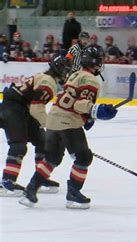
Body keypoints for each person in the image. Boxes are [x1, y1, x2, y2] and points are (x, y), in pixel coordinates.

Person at [19, 47, 118, 209]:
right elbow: (80, 104)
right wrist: (96, 110)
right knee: (83, 157)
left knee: (52, 158)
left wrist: (88, 118)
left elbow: (72, 101)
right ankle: (73, 195)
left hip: (53, 120)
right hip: (68, 122)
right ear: (95, 62)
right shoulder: (91, 80)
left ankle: (30, 190)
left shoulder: (74, 75)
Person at [0, 55, 71, 197]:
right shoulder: (48, 83)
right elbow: (36, 109)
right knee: (18, 145)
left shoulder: (45, 78)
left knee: (43, 141)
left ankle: (41, 178)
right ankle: (6, 182)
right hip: (14, 109)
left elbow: (34, 108)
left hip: (21, 109)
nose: (68, 73)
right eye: (66, 70)